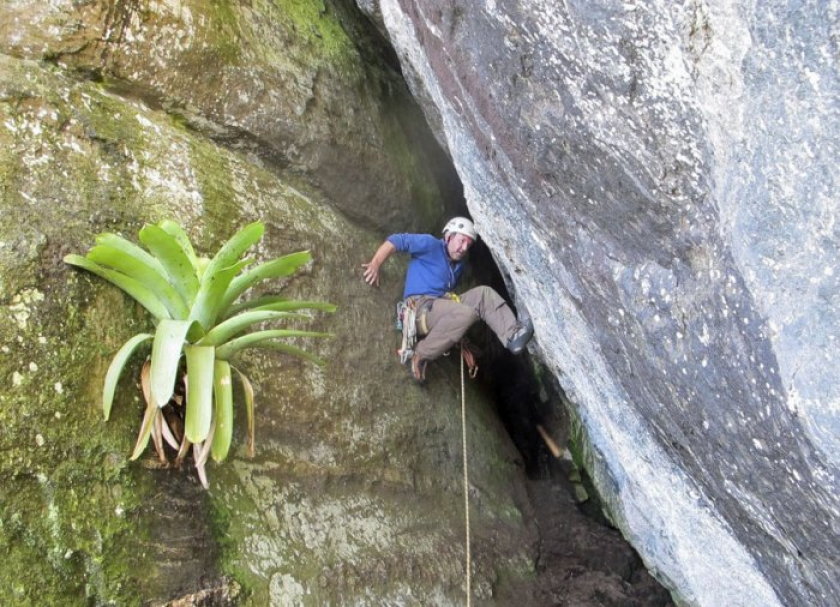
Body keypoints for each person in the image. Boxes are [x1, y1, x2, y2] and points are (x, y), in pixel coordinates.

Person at [362, 216, 534, 383]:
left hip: (440, 307)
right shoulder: (430, 245)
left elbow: (450, 311)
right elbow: (397, 240)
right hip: (419, 308)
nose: (464, 247)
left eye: (468, 244)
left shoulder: (458, 267)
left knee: (483, 294)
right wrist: (375, 264)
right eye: (461, 240)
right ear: (449, 236)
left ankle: (513, 335)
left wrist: (462, 341)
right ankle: (420, 355)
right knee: (466, 314)